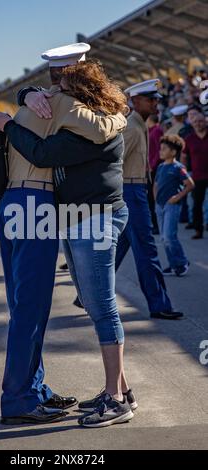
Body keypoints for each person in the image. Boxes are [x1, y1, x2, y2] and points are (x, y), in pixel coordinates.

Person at [0, 59, 137, 428]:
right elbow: (106, 124)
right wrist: (122, 115)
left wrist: (20, 101)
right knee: (32, 305)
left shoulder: (35, 102)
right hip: (36, 205)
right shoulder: (65, 104)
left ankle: (32, 389)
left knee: (24, 302)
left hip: (16, 204)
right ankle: (21, 397)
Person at [115, 80, 184, 320]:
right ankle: (159, 304)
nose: (156, 102)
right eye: (150, 99)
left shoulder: (138, 124)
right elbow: (115, 164)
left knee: (118, 248)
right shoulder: (132, 128)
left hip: (133, 190)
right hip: (130, 191)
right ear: (135, 101)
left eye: (156, 99)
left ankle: (85, 295)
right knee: (146, 249)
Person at [154, 135, 194, 277]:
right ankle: (173, 265)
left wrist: (177, 197)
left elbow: (190, 185)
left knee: (169, 236)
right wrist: (156, 200)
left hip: (172, 206)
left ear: (173, 152)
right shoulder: (160, 167)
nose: (161, 151)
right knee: (164, 239)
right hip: (160, 206)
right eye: (161, 148)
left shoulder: (179, 168)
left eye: (164, 149)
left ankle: (182, 262)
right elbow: (156, 184)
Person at [182, 112, 208, 240]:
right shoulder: (189, 139)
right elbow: (184, 156)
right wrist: (184, 172)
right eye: (196, 122)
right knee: (197, 204)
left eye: (201, 121)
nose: (198, 124)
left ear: (206, 122)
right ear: (192, 124)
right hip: (197, 176)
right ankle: (198, 230)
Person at [147, 114, 163, 233]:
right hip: (150, 167)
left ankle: (156, 225)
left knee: (153, 197)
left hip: (154, 168)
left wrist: (152, 165)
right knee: (149, 197)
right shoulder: (150, 130)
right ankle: (153, 223)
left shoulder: (157, 130)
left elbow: (159, 150)